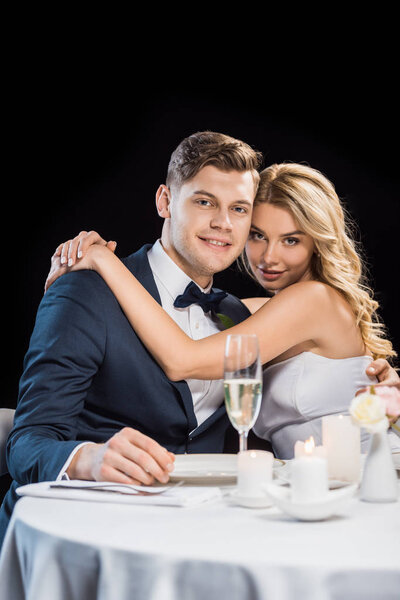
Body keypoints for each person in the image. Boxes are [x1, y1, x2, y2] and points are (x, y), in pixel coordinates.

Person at [46, 162, 400, 461]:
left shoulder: (314, 300)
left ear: (318, 243)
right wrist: (80, 285)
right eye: (258, 235)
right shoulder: (250, 312)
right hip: (311, 486)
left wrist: (104, 261)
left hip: (369, 477)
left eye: (291, 240)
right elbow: (166, 313)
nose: (269, 257)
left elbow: (182, 359)